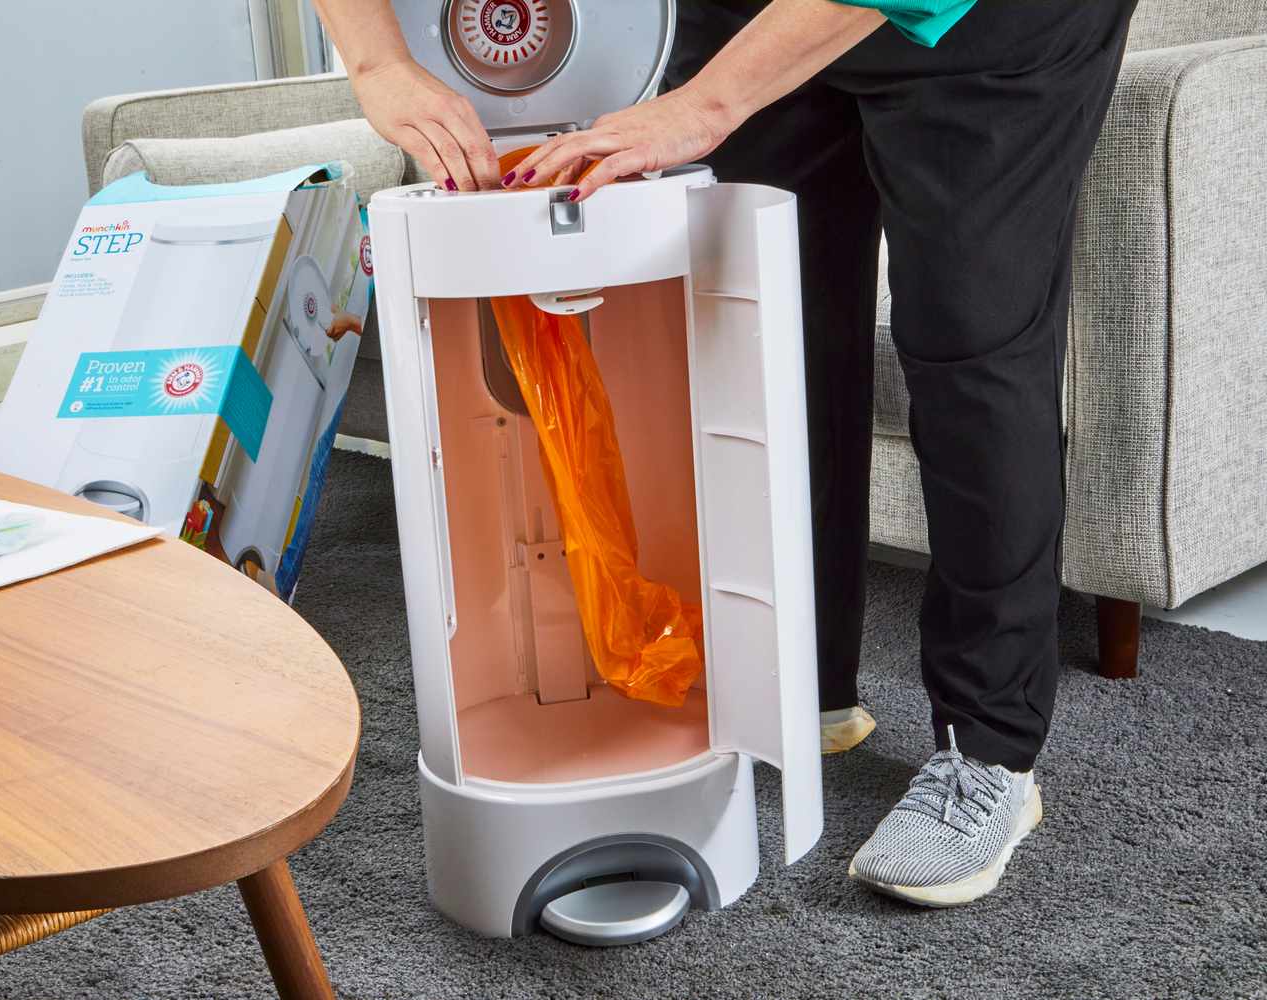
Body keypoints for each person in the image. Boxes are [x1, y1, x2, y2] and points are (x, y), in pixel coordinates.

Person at [313, 0, 1138, 907]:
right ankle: (803, 685)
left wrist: (703, 108)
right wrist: (379, 63)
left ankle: (987, 753)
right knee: (761, 326)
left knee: (969, 341)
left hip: (994, 32)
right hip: (747, 14)